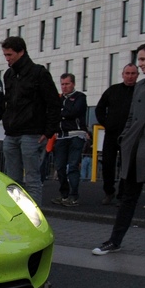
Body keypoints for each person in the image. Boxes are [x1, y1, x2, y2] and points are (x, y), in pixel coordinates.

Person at [92, 43, 145, 256]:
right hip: (136, 150)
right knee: (128, 198)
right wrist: (125, 137)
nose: (140, 65)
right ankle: (114, 241)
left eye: (144, 60)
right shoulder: (142, 86)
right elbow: (131, 116)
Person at [1, 36, 61, 205]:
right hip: (13, 132)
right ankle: (19, 217)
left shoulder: (39, 73)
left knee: (32, 179)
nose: (7, 58)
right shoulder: (9, 75)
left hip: (31, 132)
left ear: (21, 52)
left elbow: (53, 103)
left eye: (9, 54)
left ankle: (34, 222)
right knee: (13, 181)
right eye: (5, 55)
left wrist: (48, 131)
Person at [95, 63, 139, 205]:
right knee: (108, 163)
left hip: (131, 135)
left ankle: (122, 194)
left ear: (137, 75)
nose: (130, 76)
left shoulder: (140, 91)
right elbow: (99, 108)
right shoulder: (113, 90)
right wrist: (106, 123)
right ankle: (109, 192)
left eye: (133, 73)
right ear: (122, 74)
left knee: (126, 166)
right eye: (127, 73)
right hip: (111, 134)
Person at [51, 74, 88, 207]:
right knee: (60, 166)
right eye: (62, 84)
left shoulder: (80, 97)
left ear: (73, 84)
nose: (64, 87)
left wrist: (61, 113)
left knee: (72, 166)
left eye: (67, 84)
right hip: (61, 135)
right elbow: (53, 112)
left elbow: (74, 111)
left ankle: (74, 195)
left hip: (76, 135)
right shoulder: (59, 99)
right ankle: (64, 194)